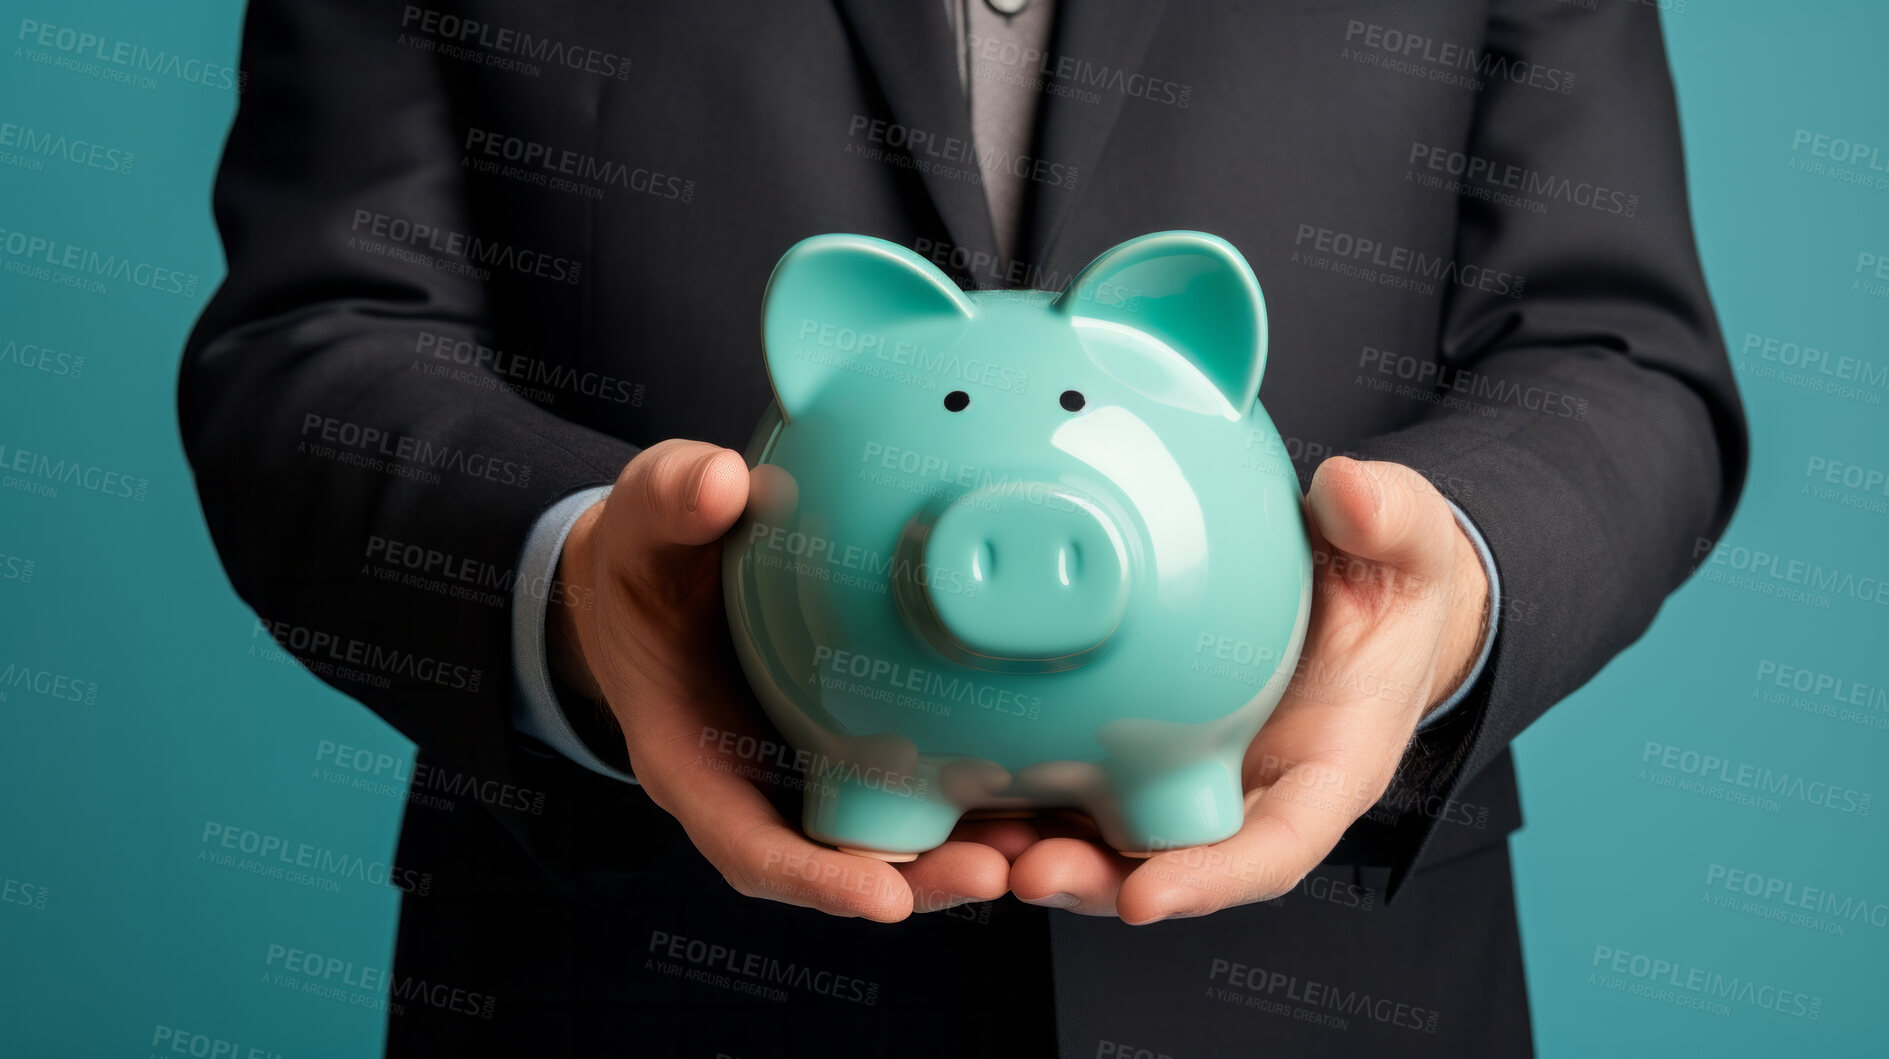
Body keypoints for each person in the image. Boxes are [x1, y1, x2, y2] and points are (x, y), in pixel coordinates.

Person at [178, 0, 1746, 1055]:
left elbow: (1617, 358)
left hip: (1331, 996)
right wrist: (577, 587)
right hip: (622, 977)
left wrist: (1444, 587)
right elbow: (316, 340)